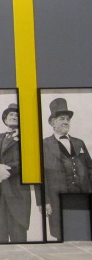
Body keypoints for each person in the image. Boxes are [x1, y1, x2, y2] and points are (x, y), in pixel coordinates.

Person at [0, 103, 36, 242]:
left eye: (17, 115)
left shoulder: (28, 137)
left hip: (17, 194)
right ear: (5, 119)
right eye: (11, 115)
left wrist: (5, 170)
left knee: (19, 238)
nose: (14, 117)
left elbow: (28, 160)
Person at [42, 98, 92, 240]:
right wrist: (44, 201)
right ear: (52, 122)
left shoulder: (79, 142)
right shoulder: (44, 144)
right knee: (61, 233)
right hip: (56, 196)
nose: (66, 122)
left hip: (82, 193)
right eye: (61, 118)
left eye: (68, 119)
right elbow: (41, 175)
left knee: (83, 230)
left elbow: (90, 168)